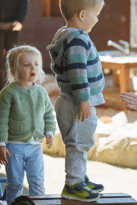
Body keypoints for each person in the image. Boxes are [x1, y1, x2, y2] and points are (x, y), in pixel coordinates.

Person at [46, 0, 105, 202]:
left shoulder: (64, 34)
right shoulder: (78, 40)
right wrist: (84, 101)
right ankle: (73, 184)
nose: (97, 20)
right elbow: (77, 73)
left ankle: (79, 177)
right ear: (82, 15)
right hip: (76, 103)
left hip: (68, 100)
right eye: (96, 15)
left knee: (79, 142)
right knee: (78, 144)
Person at [0, 45, 56, 205]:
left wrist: (50, 131)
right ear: (13, 71)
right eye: (27, 65)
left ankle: (39, 204)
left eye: (36, 64)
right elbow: (1, 120)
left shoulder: (41, 92)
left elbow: (48, 114)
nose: (33, 68)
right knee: (16, 183)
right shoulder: (8, 93)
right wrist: (1, 144)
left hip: (35, 147)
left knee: (37, 182)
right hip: (14, 147)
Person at [0, 0, 29, 90]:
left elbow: (23, 4)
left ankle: (10, 86)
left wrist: (20, 21)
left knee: (11, 58)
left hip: (12, 25)